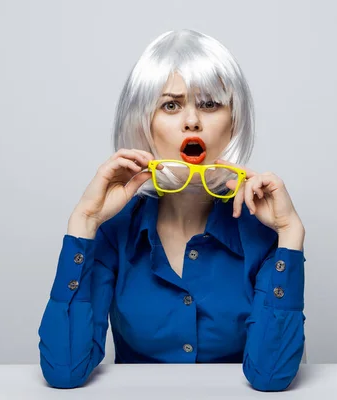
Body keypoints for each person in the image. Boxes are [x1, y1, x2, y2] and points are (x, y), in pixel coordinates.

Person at [37, 29, 307, 392]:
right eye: (171, 105)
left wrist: (289, 233)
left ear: (234, 123)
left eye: (210, 104)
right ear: (144, 123)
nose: (192, 121)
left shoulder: (261, 233)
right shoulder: (114, 231)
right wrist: (84, 221)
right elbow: (64, 371)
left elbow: (270, 377)